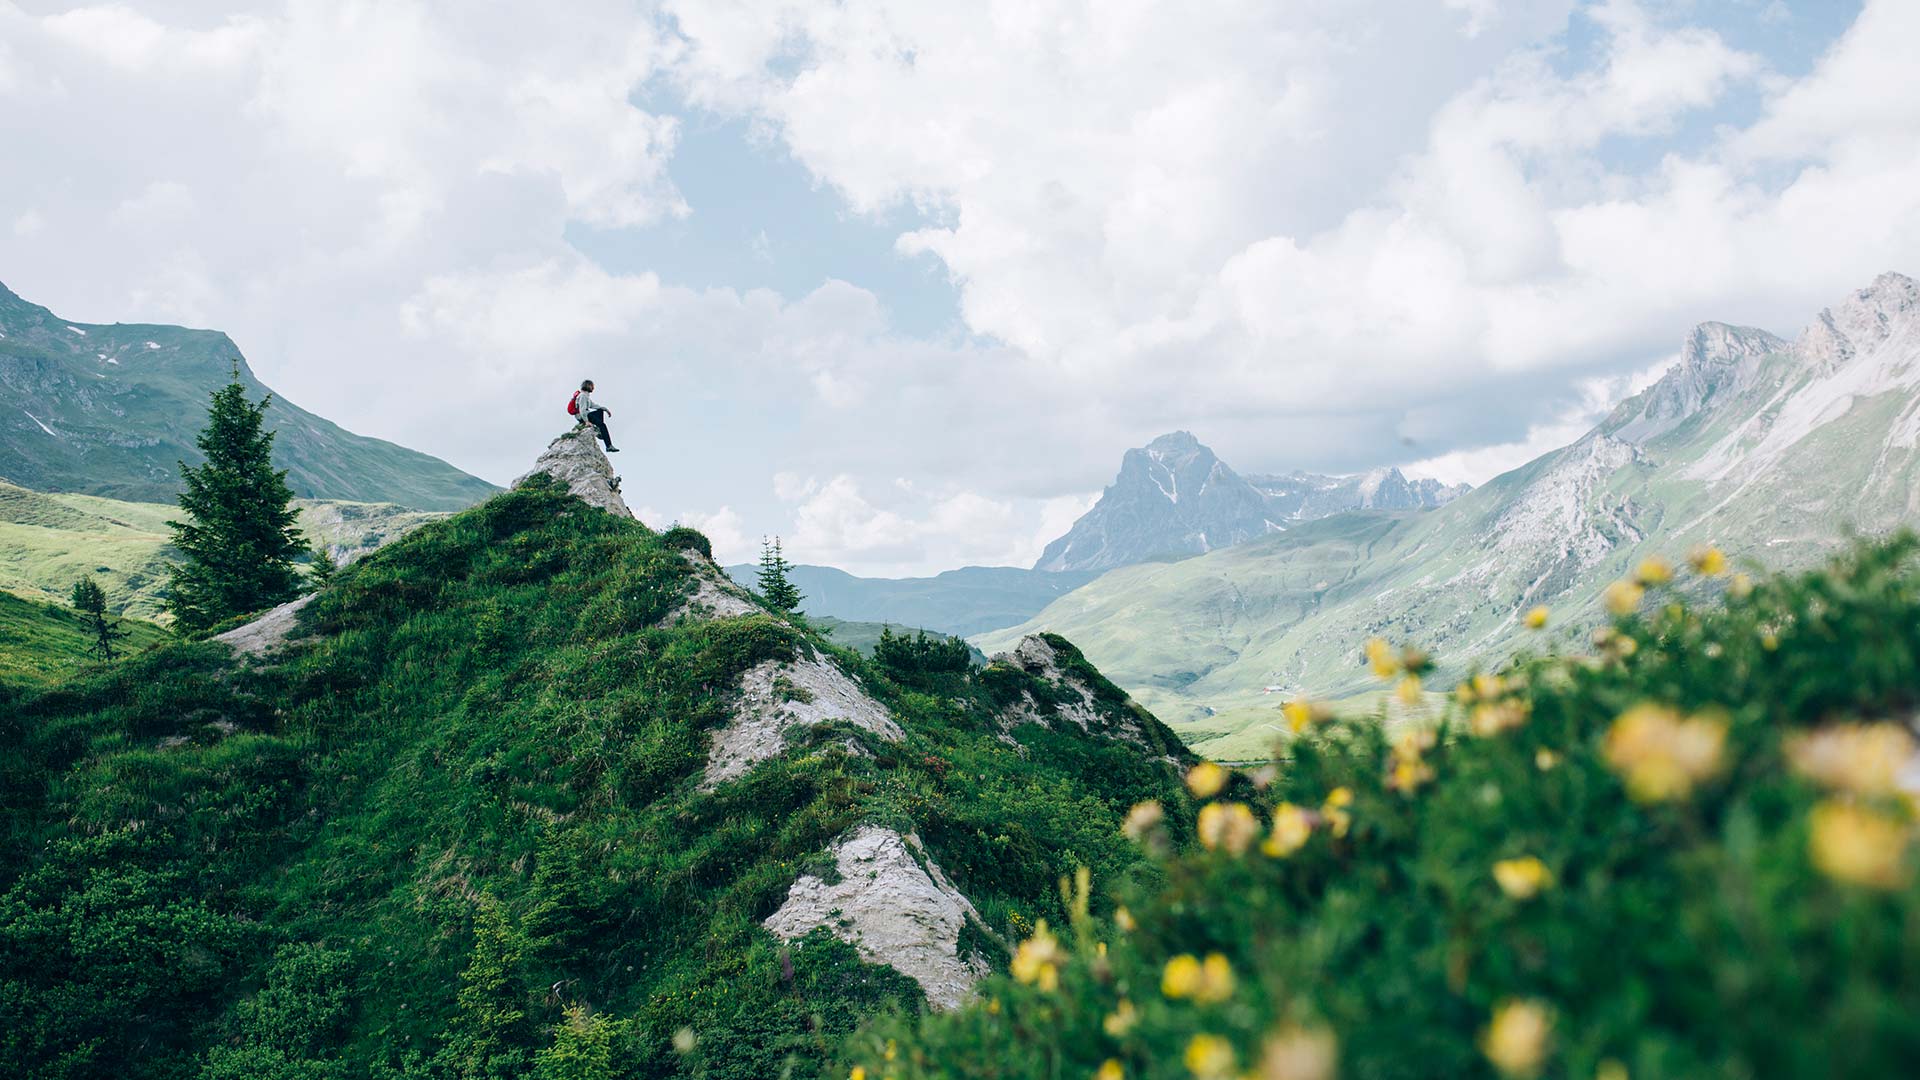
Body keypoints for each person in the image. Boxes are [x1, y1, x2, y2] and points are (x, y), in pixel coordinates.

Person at [573, 379, 618, 452]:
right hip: (583, 416)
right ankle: (609, 446)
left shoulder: (585, 395)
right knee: (602, 425)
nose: (593, 388)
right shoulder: (583, 396)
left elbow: (592, 405)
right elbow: (582, 410)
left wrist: (605, 409)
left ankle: (599, 430)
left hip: (586, 414)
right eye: (592, 386)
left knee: (600, 411)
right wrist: (586, 421)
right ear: (588, 386)